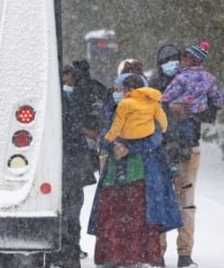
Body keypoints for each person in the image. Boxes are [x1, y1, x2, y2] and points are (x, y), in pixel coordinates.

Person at [88, 74, 182, 267]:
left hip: (143, 172)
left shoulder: (150, 107)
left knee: (137, 215)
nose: (116, 93)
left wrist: (128, 148)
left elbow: (156, 138)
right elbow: (105, 135)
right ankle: (114, 257)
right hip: (115, 174)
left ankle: (138, 257)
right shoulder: (114, 108)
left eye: (118, 89)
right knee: (114, 214)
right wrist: (114, 146)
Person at [161, 41, 223, 268]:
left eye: (183, 58)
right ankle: (183, 255)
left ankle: (160, 253)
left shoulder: (178, 80)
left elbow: (163, 100)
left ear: (190, 59)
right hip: (188, 145)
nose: (178, 63)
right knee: (186, 202)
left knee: (165, 199)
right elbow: (216, 104)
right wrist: (200, 109)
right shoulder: (208, 79)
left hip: (167, 148)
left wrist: (172, 108)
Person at [49, 65, 95, 268]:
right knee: (70, 208)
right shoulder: (65, 99)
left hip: (66, 160)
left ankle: (64, 250)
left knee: (68, 207)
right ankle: (67, 251)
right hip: (69, 160)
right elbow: (72, 127)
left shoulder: (65, 97)